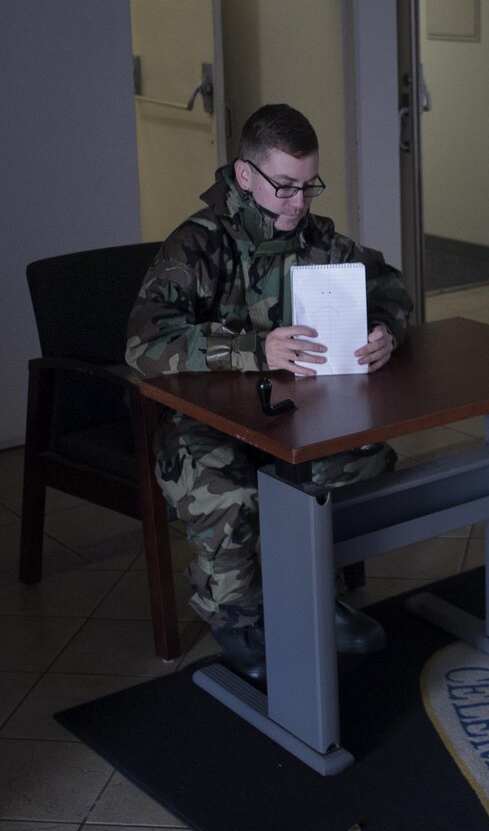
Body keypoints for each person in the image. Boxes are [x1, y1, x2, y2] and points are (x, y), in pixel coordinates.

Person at [126, 103, 411, 682]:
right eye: (284, 187)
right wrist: (251, 349)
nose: (298, 204)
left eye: (310, 187)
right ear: (245, 175)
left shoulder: (317, 237)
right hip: (202, 417)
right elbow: (141, 343)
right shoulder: (197, 246)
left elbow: (387, 285)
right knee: (228, 491)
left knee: (359, 459)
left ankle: (311, 594)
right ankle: (237, 619)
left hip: (290, 410)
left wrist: (386, 331)